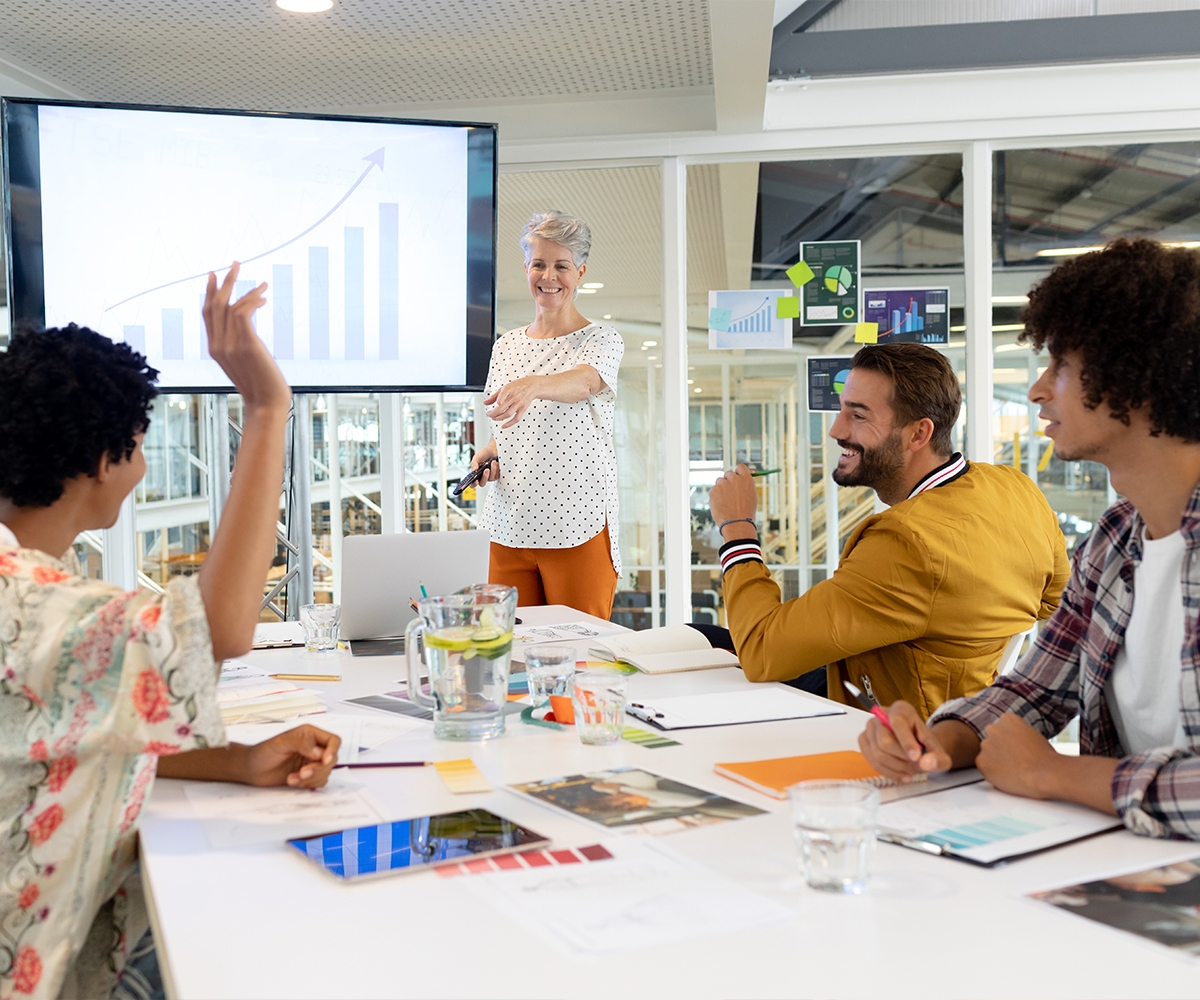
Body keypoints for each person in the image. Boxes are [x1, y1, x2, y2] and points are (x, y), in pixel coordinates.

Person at [0, 265, 341, 1000]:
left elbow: (48, 724)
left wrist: (235, 763)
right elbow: (221, 628)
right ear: (106, 461)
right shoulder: (30, 604)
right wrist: (265, 408)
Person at [858, 239, 1200, 841]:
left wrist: (1056, 775)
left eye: (1060, 366)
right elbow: (1036, 690)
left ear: (1139, 377)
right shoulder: (1117, 540)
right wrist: (937, 741)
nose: (1040, 390)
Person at [708, 342, 1069, 716]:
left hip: (887, 721)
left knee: (708, 643)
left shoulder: (907, 541)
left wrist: (737, 528)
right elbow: (1053, 602)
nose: (836, 430)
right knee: (709, 637)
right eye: (842, 410)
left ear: (917, 434)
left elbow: (762, 651)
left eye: (859, 416)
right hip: (969, 701)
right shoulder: (1015, 487)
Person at [469, 210, 624, 620]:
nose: (548, 276)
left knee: (579, 659)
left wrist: (533, 384)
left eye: (561, 265)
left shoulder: (602, 340)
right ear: (526, 267)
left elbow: (585, 383)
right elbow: (507, 428)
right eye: (539, 264)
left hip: (577, 525)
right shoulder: (506, 346)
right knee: (510, 657)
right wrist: (490, 452)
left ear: (581, 271)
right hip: (506, 526)